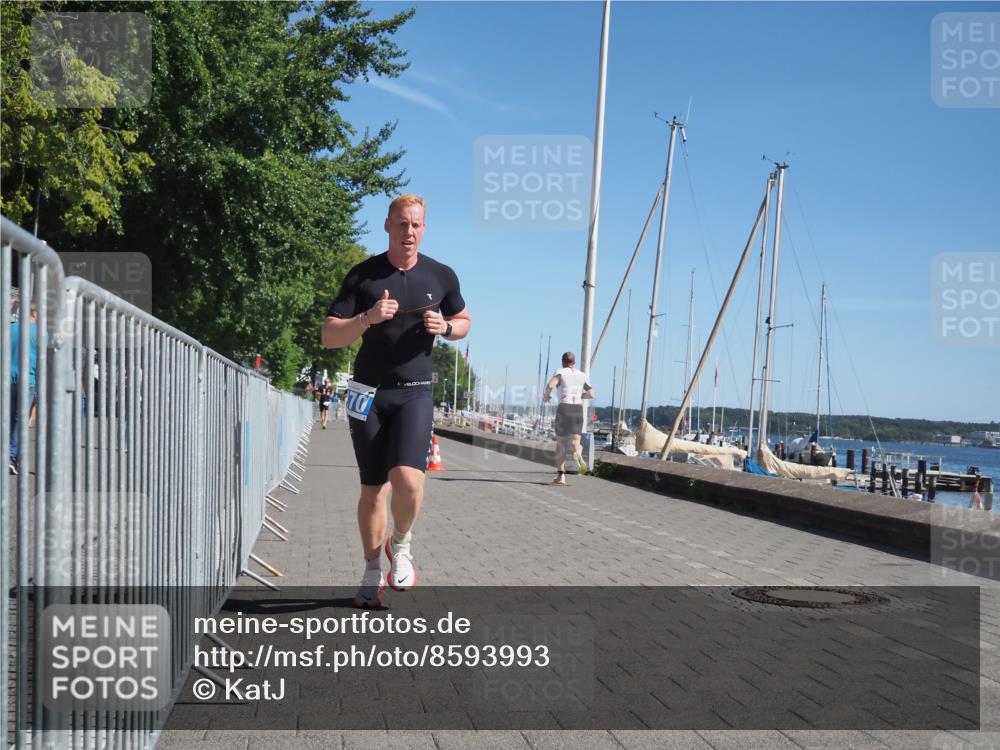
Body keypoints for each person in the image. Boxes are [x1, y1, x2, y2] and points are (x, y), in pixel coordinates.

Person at [322, 194, 471, 608]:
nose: (409, 232)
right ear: (387, 226)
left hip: (415, 393)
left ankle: (400, 545)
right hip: (366, 394)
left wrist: (446, 327)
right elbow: (329, 335)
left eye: (416, 225)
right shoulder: (363, 276)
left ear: (424, 228)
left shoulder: (441, 275)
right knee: (372, 490)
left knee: (408, 479)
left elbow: (464, 320)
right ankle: (371, 572)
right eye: (402, 224)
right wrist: (366, 318)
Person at [543, 352, 594, 485]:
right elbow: (591, 394)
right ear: (574, 362)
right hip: (577, 409)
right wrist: (579, 396)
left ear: (563, 361)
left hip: (564, 408)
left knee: (560, 444)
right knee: (575, 442)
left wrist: (546, 396)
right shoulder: (582, 375)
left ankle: (561, 476)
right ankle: (578, 453)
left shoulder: (560, 372)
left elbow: (550, 385)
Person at [9, 304, 38, 475]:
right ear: (34, 313)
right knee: (21, 420)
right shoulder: (40, 333)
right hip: (29, 380)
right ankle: (12, 458)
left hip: (7, 378)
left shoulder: (8, 329)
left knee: (7, 418)